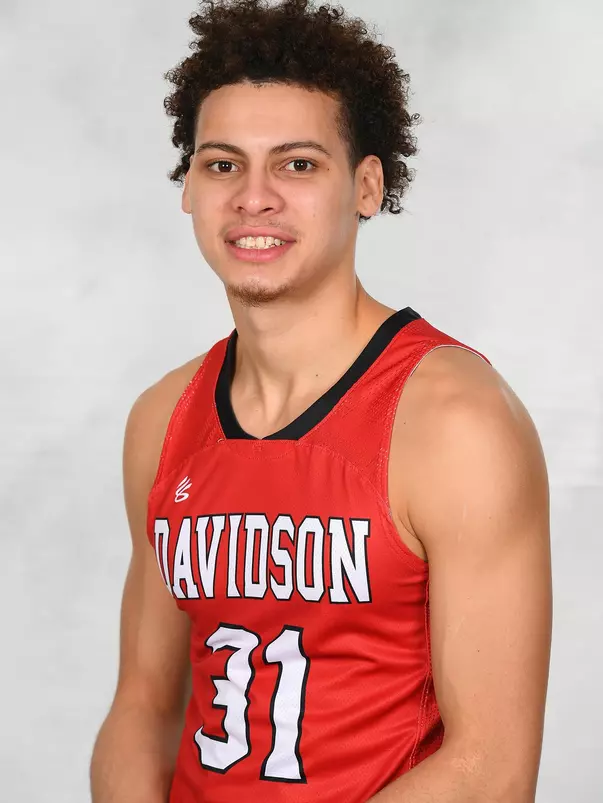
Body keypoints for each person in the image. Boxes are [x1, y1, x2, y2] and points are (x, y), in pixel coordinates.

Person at [90, 1, 553, 801]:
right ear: (188, 188)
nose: (254, 197)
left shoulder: (453, 422)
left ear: (366, 186)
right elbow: (143, 703)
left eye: (297, 165)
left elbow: (492, 768)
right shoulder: (161, 418)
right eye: (222, 164)